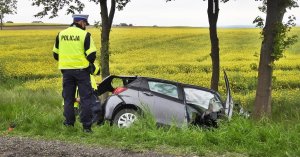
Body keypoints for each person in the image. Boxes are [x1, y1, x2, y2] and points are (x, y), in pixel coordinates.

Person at [52, 14, 97, 133]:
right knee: (85, 99)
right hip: (82, 71)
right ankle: (86, 128)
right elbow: (92, 55)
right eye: (85, 24)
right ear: (81, 22)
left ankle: (69, 125)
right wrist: (86, 63)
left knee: (68, 99)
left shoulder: (61, 34)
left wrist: (67, 63)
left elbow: (56, 55)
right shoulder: (85, 35)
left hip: (66, 72)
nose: (85, 26)